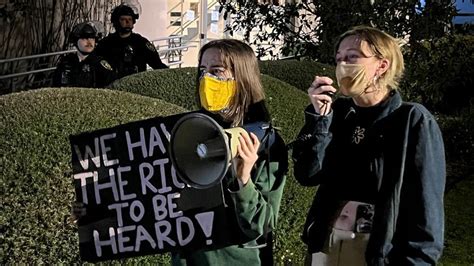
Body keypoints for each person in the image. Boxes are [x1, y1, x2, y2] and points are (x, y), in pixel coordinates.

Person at [292, 26, 445, 265]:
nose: (343, 65)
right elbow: (307, 174)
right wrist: (320, 119)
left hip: (376, 251)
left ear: (381, 65)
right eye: (339, 58)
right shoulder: (339, 114)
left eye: (353, 57)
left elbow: (426, 208)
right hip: (326, 243)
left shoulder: (411, 120)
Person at [171, 39, 288, 265]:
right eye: (203, 71)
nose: (206, 79)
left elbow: (262, 224)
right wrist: (93, 214)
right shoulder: (191, 133)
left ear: (242, 78)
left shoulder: (265, 142)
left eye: (217, 71)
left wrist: (244, 180)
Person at [95, 3, 168, 79]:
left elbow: (158, 65)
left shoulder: (141, 43)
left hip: (137, 84)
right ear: (116, 21)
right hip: (113, 85)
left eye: (130, 19)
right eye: (123, 19)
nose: (127, 22)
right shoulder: (106, 43)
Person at [53, 22, 115, 88]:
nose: (89, 42)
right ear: (75, 41)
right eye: (84, 38)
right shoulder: (66, 63)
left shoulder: (100, 65)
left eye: (92, 38)